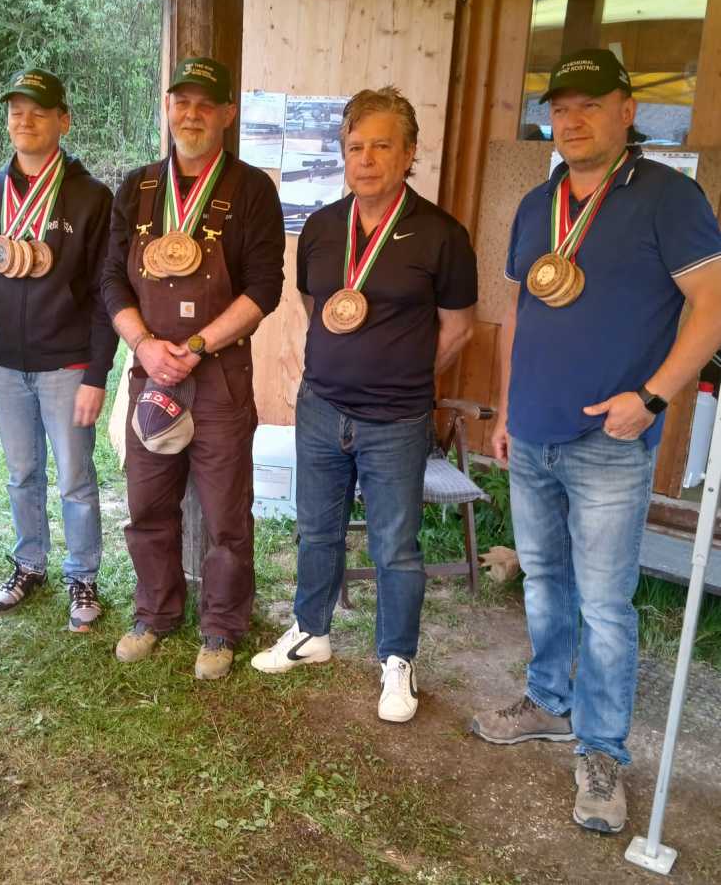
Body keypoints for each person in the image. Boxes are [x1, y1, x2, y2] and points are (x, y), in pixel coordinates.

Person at [471, 48, 721, 834]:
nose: (571, 120)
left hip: (610, 441)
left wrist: (652, 397)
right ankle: (549, 701)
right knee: (544, 580)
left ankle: (603, 751)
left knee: (607, 606)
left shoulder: (668, 198)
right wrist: (505, 412)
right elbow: (520, 311)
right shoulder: (538, 202)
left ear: (627, 111)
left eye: (589, 104)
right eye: (560, 107)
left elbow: (713, 303)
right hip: (532, 433)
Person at [250, 87, 477, 722]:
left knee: (395, 547)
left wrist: (403, 376)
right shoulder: (323, 228)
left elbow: (459, 328)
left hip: (397, 419)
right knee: (316, 530)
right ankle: (310, 631)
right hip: (322, 407)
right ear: (343, 154)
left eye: (382, 146)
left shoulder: (442, 235)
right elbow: (315, 307)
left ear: (409, 153)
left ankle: (397, 659)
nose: (367, 159)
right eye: (356, 147)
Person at [101, 56, 285, 680]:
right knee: (147, 501)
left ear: (228, 113)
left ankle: (223, 625)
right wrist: (145, 346)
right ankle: (154, 613)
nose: (192, 114)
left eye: (206, 103)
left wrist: (200, 345)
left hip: (219, 378)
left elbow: (264, 288)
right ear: (168, 109)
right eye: (182, 102)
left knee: (226, 513)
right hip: (152, 373)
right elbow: (110, 279)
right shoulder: (137, 187)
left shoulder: (253, 189)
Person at [0, 68, 116, 628]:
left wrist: (96, 374)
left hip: (66, 365)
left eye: (38, 111)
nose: (24, 121)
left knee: (75, 478)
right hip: (4, 364)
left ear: (63, 121)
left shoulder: (92, 197)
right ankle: (29, 564)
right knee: (22, 473)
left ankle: (83, 576)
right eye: (15, 112)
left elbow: (104, 295)